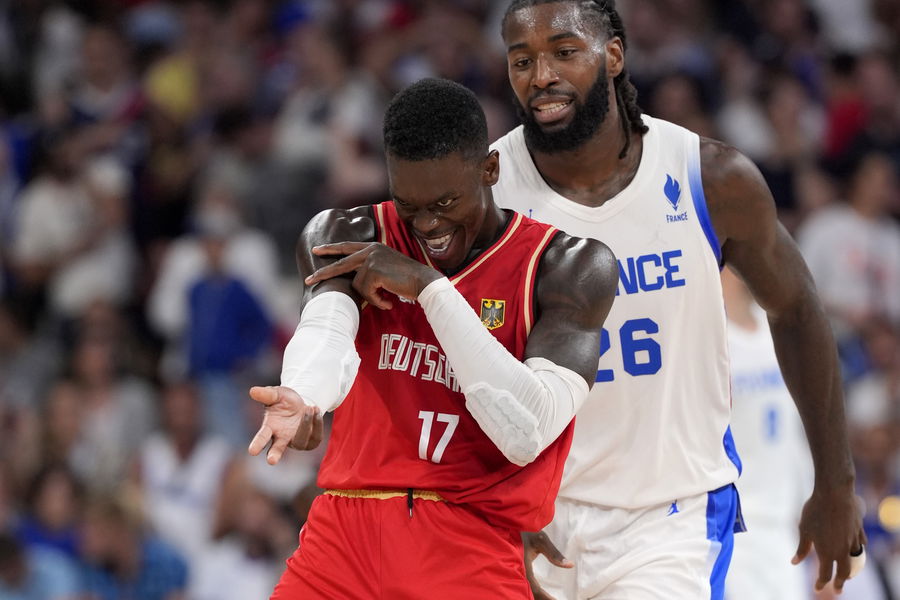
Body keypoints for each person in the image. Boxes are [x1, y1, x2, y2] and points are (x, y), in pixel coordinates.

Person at [493, 1, 865, 599]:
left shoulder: (709, 177)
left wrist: (836, 483)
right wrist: (492, 504)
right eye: (522, 60)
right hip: (531, 514)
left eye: (564, 52)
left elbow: (796, 308)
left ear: (613, 55)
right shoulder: (487, 195)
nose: (542, 76)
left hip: (671, 520)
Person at [247, 77, 618, 598]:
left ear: (489, 169)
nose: (427, 225)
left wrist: (428, 289)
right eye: (410, 204)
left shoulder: (568, 266)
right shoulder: (348, 232)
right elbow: (327, 329)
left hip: (468, 544)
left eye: (445, 202)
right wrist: (304, 395)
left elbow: (527, 430)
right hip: (343, 539)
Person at [721, 266, 813, 600]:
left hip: (783, 522)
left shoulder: (777, 329)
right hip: (734, 524)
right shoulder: (711, 338)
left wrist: (811, 498)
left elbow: (796, 432)